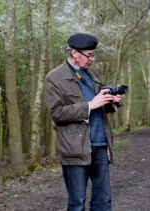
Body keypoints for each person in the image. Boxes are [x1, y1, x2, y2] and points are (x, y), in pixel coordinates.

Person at [44, 33, 123, 211]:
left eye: (94, 54)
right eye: (89, 55)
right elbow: (56, 113)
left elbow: (100, 106)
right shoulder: (54, 78)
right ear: (74, 52)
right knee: (77, 203)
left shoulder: (92, 74)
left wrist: (112, 101)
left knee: (103, 201)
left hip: (100, 145)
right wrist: (89, 105)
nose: (92, 59)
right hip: (75, 148)